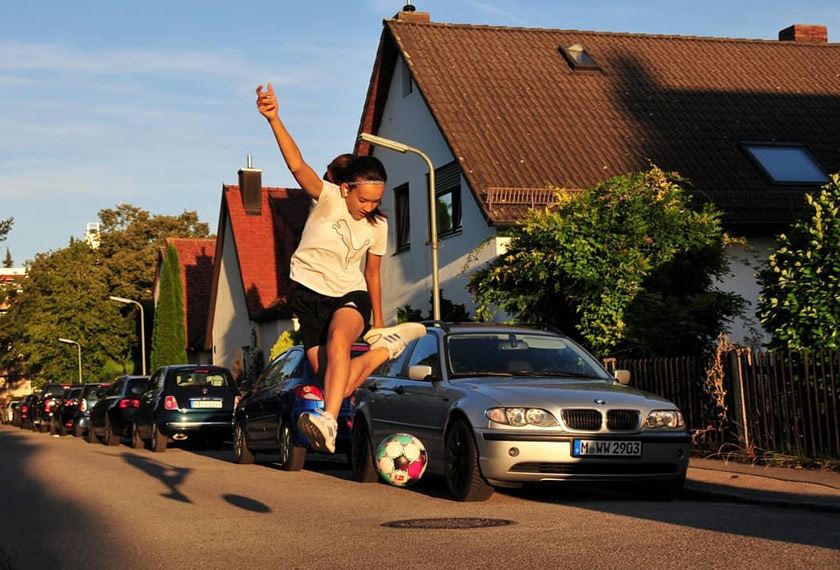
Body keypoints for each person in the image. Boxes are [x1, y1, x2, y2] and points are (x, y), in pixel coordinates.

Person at [256, 83, 426, 453]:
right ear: (347, 188)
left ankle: (329, 421)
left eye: (375, 200)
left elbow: (372, 274)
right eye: (363, 199)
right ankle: (384, 353)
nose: (369, 206)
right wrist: (274, 119)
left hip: (350, 295)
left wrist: (377, 322)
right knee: (336, 380)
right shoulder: (328, 198)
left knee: (338, 342)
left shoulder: (377, 226)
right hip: (309, 295)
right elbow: (297, 165)